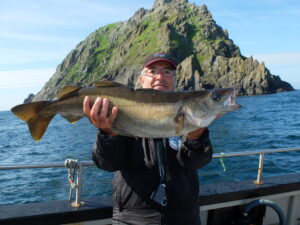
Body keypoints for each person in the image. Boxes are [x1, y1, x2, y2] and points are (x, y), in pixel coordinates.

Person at [83, 53, 213, 225]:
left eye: (167, 72)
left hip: (185, 217)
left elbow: (196, 162)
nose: (160, 76)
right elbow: (108, 163)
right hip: (132, 219)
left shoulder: (189, 116)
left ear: (175, 80)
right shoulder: (119, 112)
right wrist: (108, 133)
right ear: (141, 79)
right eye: (152, 71)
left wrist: (196, 136)